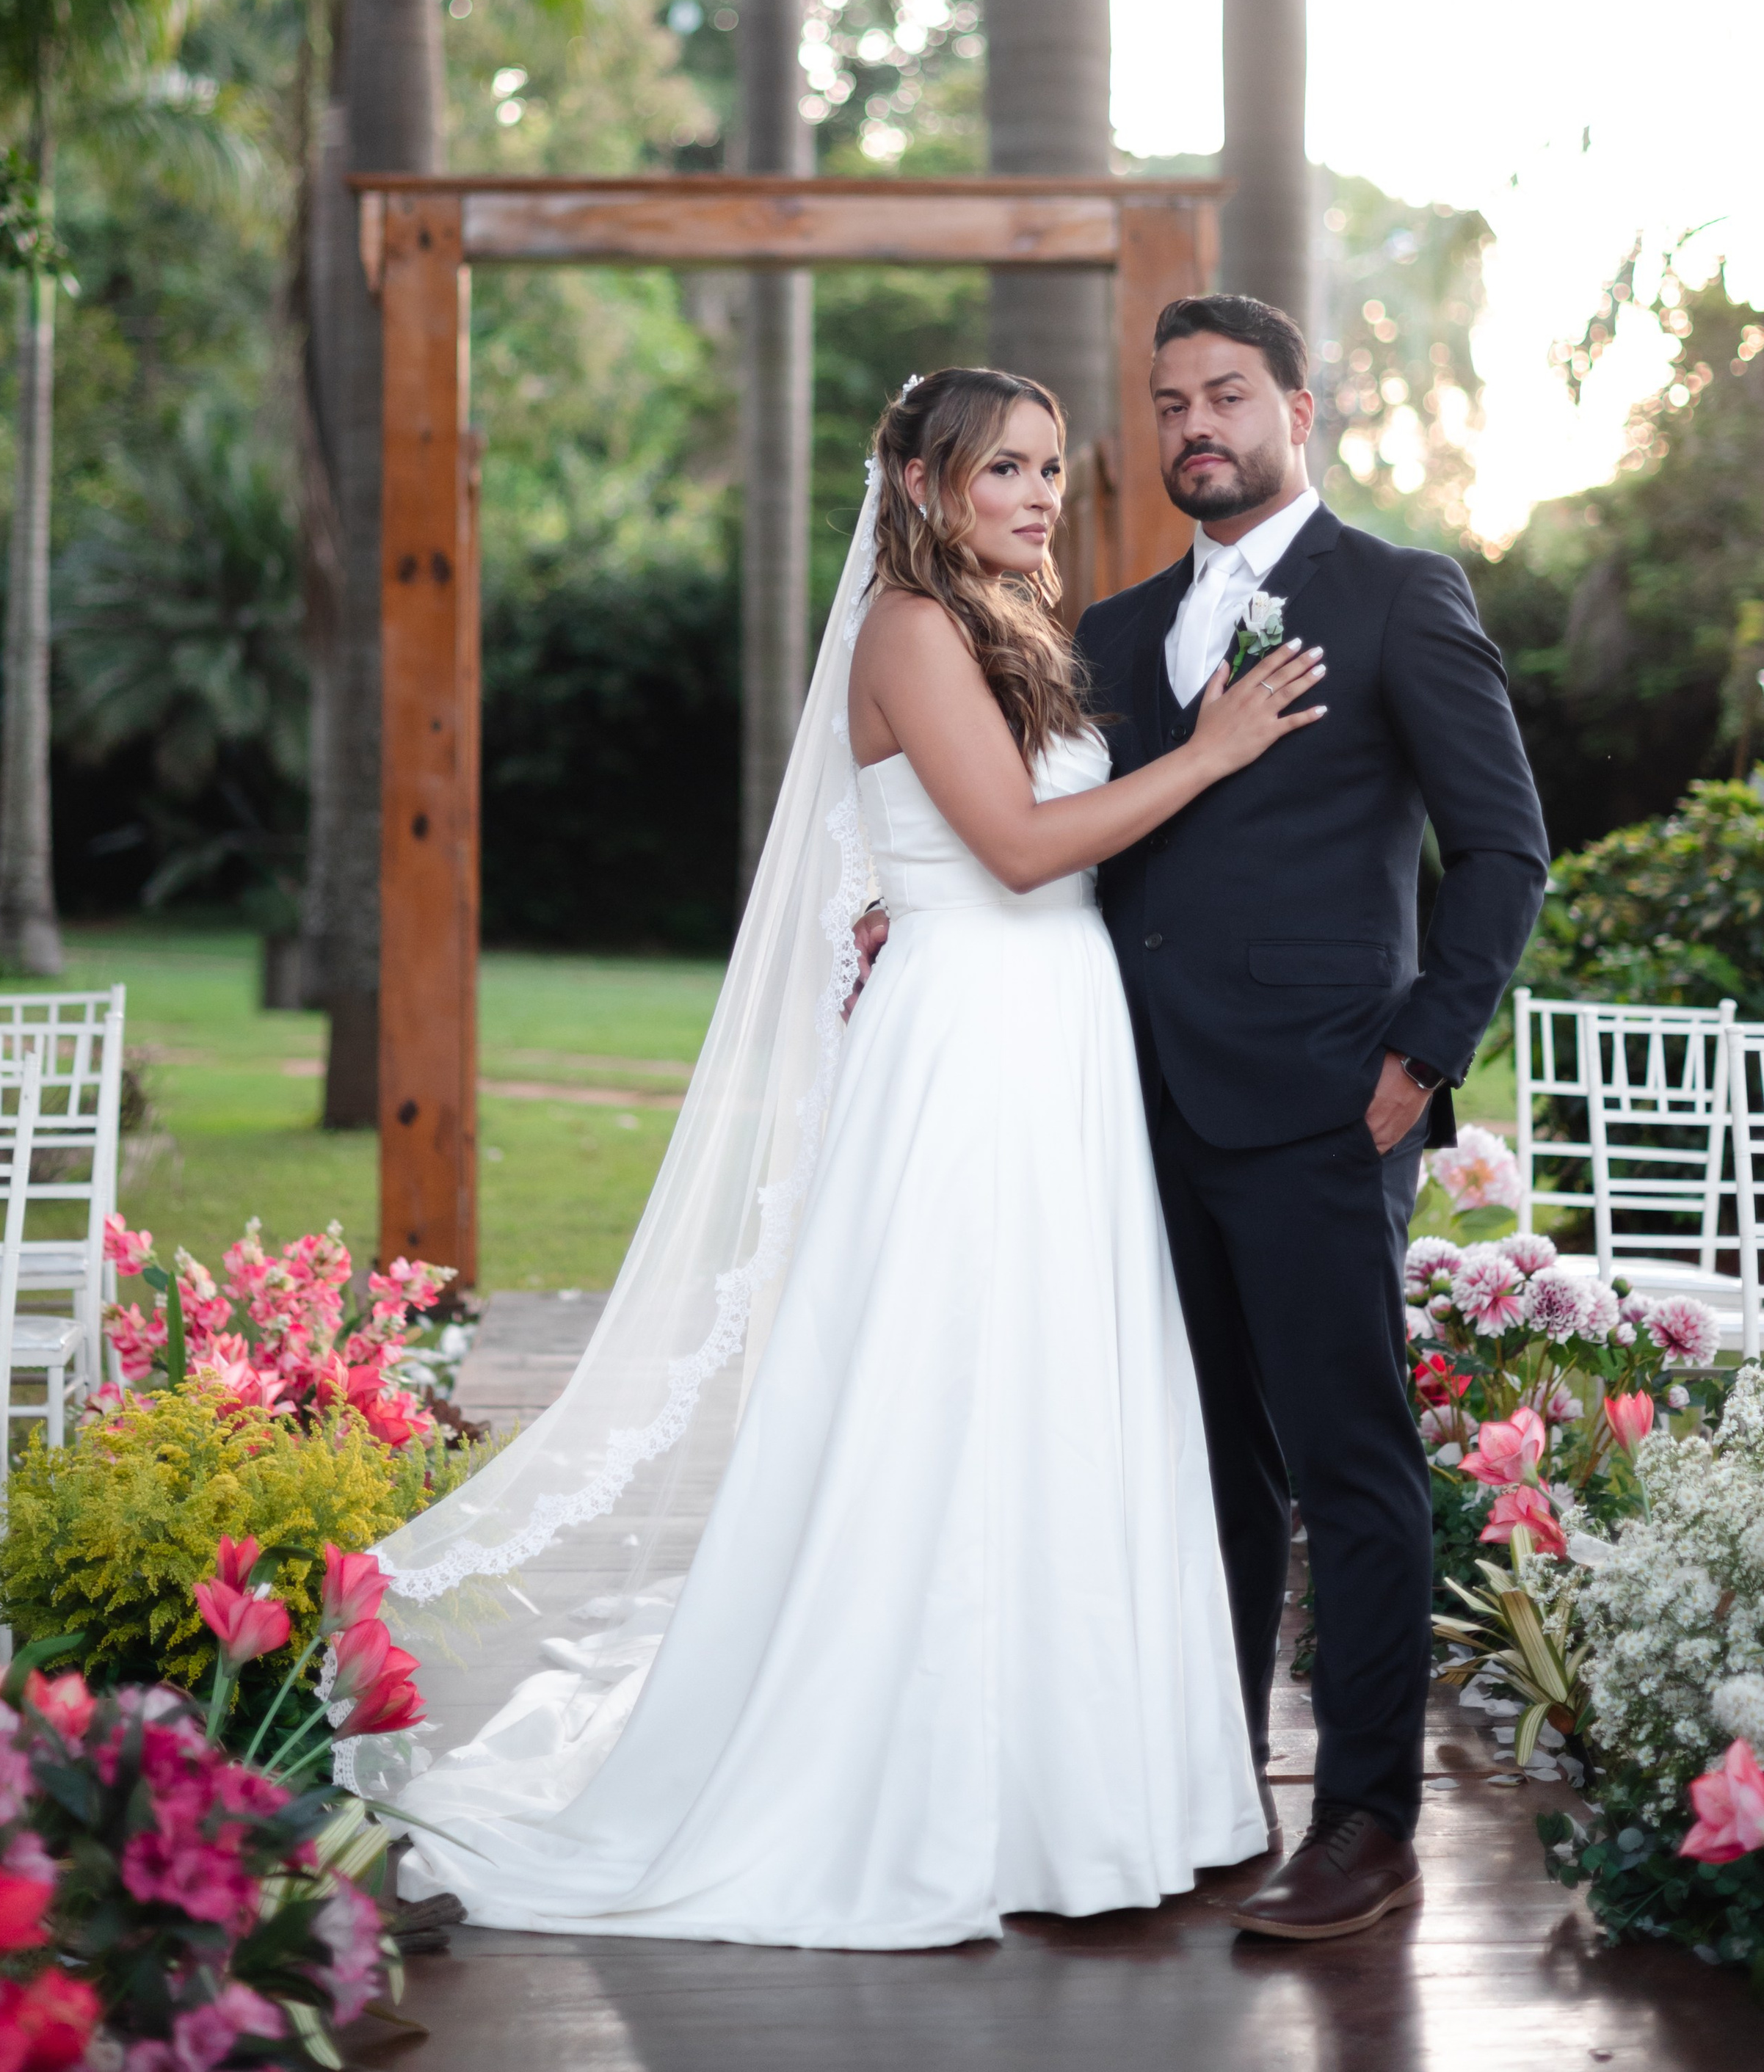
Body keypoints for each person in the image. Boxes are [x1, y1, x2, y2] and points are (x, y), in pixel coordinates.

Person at [361, 367, 1327, 1949]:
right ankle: (927, 1788)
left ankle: (1085, 1789)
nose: (1032, 496)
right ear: (926, 485)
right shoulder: (908, 627)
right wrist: (1213, 751)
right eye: (1000, 470)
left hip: (1054, 1037)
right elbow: (1014, 852)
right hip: (973, 1048)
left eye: (1046, 470)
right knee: (951, 1393)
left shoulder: (1009, 626)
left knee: (1057, 1392)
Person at [1072, 294, 1548, 1941]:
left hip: (1324, 1105)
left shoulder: (1397, 596)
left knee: (1347, 1465)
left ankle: (1363, 1820)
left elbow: (1502, 849)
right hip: (1136, 1105)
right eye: (1166, 402)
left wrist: (1419, 1062)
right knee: (1199, 1458)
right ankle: (1208, 1779)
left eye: (1223, 393)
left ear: (1296, 407)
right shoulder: (1115, 630)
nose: (1192, 423)